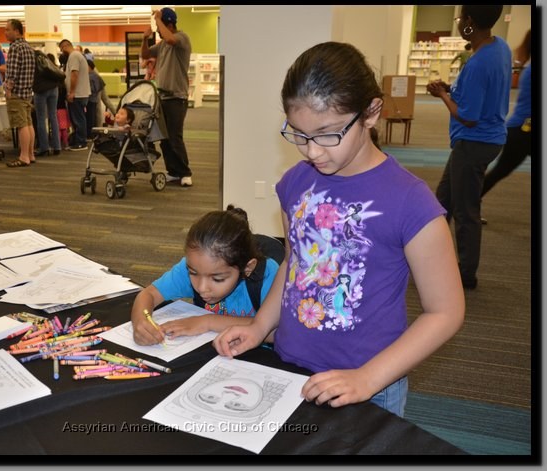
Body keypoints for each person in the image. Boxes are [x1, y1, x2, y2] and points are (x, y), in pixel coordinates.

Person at [213, 42, 465, 418]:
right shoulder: (295, 183)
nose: (312, 151)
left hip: (368, 385)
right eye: (299, 134)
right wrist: (259, 326)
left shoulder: (410, 201)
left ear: (371, 113)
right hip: (290, 365)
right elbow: (295, 263)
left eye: (327, 134)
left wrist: (367, 378)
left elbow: (445, 312)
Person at [426, 5, 511, 290]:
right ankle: (428, 255)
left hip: (474, 142)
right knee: (442, 202)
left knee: (465, 211)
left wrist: (442, 96)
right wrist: (451, 89)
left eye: (461, 18)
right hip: (488, 138)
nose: (460, 23)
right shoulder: (500, 47)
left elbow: (468, 116)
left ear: (470, 21)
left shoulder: (478, 63)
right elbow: (482, 92)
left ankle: (466, 273)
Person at [131, 205, 280, 346]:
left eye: (217, 279)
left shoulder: (268, 276)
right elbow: (149, 294)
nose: (202, 288)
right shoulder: (195, 266)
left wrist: (208, 322)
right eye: (193, 273)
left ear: (247, 269)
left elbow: (279, 332)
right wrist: (140, 321)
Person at [141, 7, 193, 187]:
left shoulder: (182, 38)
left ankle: (185, 173)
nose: (158, 31)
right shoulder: (162, 45)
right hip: (162, 97)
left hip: (177, 97)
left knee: (175, 136)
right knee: (164, 137)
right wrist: (144, 39)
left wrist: (157, 19)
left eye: (161, 26)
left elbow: (170, 39)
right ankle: (173, 172)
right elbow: (145, 54)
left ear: (169, 24)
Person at [481, 29, 531, 199]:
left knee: (500, 171)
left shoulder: (528, 69)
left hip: (520, 129)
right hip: (524, 130)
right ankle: (467, 203)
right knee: (500, 171)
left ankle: (468, 203)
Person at [3, 19, 36, 167]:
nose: (5, 32)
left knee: (21, 125)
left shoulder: (15, 48)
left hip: (17, 93)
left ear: (16, 31)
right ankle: (30, 154)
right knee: (28, 124)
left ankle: (23, 157)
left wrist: (8, 89)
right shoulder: (28, 47)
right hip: (27, 92)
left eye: (7, 29)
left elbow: (12, 72)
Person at [59, 39, 90, 151]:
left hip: (77, 94)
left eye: (61, 49)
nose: (62, 52)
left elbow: (74, 74)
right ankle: (78, 141)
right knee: (78, 118)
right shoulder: (77, 55)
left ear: (65, 46)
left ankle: (81, 142)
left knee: (78, 119)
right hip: (80, 93)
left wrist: (72, 92)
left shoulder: (74, 56)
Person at [32, 51, 63, 157]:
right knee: (53, 117)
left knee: (40, 119)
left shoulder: (32, 61)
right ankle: (57, 147)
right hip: (54, 88)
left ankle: (44, 148)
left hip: (41, 90)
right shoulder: (46, 60)